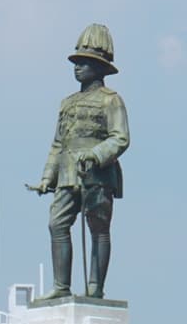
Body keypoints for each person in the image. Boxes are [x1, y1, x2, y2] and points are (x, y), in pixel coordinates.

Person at [33, 23, 130, 299]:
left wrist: (96, 154)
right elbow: (58, 143)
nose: (77, 68)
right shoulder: (67, 103)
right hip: (67, 174)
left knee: (98, 228)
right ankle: (61, 286)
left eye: (84, 63)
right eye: (76, 63)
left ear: (99, 68)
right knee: (57, 224)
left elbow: (120, 137)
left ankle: (95, 286)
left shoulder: (111, 100)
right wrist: (47, 177)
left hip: (97, 175)